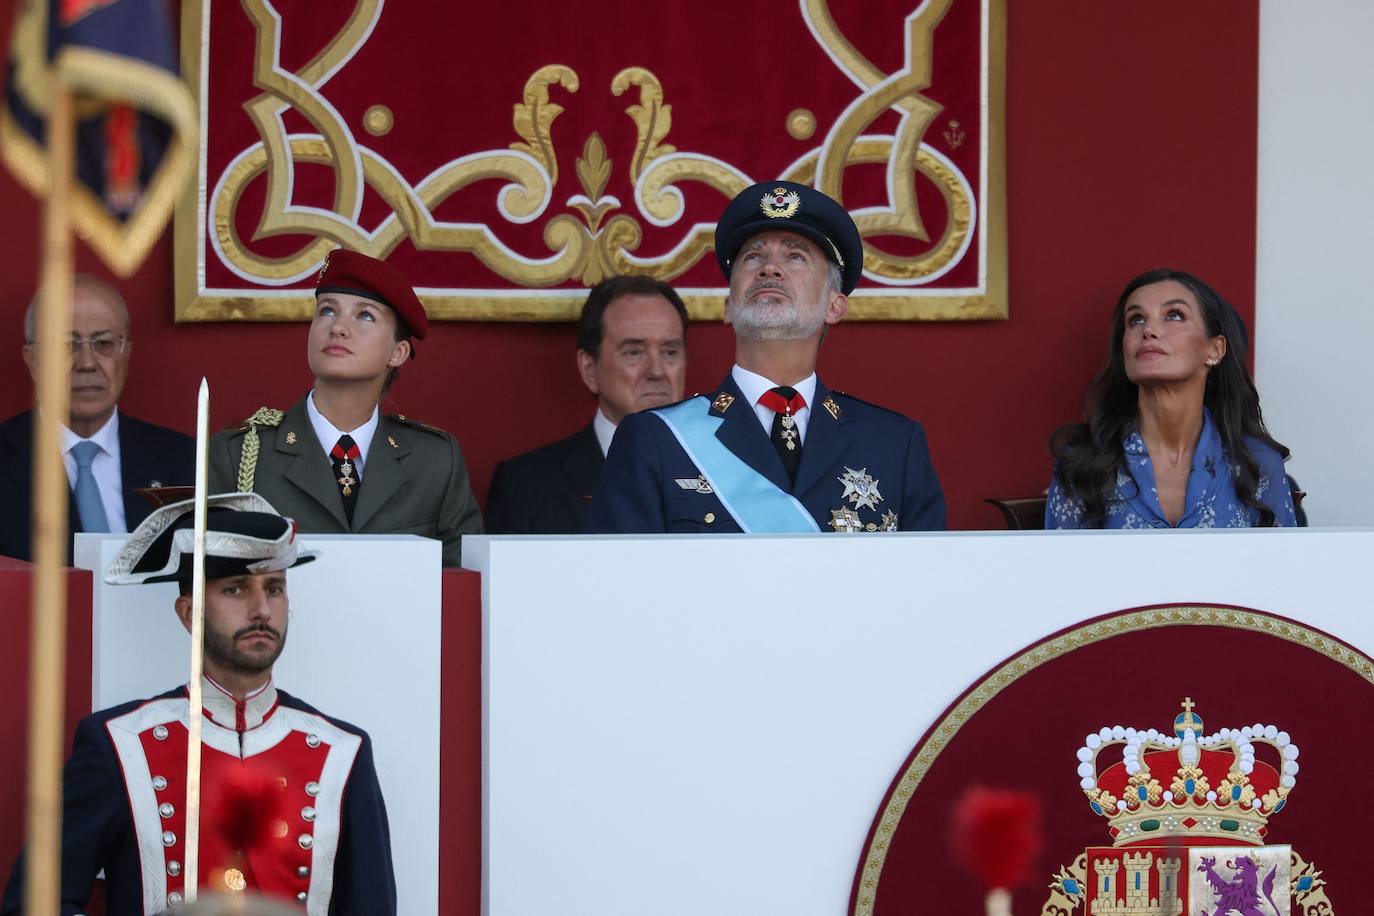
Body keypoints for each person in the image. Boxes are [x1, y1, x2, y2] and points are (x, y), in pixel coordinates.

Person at [0, 492, 396, 914]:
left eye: (274, 588)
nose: (261, 609)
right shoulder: (118, 743)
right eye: (235, 589)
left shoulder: (343, 751)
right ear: (189, 614)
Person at [584, 180, 945, 533]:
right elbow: (622, 583)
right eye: (754, 256)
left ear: (834, 306)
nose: (769, 268)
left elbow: (926, 583)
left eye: (795, 256)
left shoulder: (894, 444)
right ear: (728, 307)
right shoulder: (655, 439)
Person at [208, 249, 482, 565]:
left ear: (398, 352)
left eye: (365, 315)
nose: (338, 327)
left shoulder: (434, 460)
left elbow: (462, 582)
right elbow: (215, 579)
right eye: (327, 311)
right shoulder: (242, 453)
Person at [1045, 268, 1295, 529]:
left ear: (1215, 349)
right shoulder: (1083, 464)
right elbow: (1058, 569)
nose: (1149, 329)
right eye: (1136, 320)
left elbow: (1283, 567)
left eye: (1174, 315)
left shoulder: (1258, 463)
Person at [0, 275, 195, 561]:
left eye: (103, 343)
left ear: (126, 353)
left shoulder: (186, 461)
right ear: (33, 361)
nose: (87, 363)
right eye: (67, 344)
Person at [485, 275, 688, 533]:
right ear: (590, 369)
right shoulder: (526, 487)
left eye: (670, 351)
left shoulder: (724, 470)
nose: (657, 371)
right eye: (634, 352)